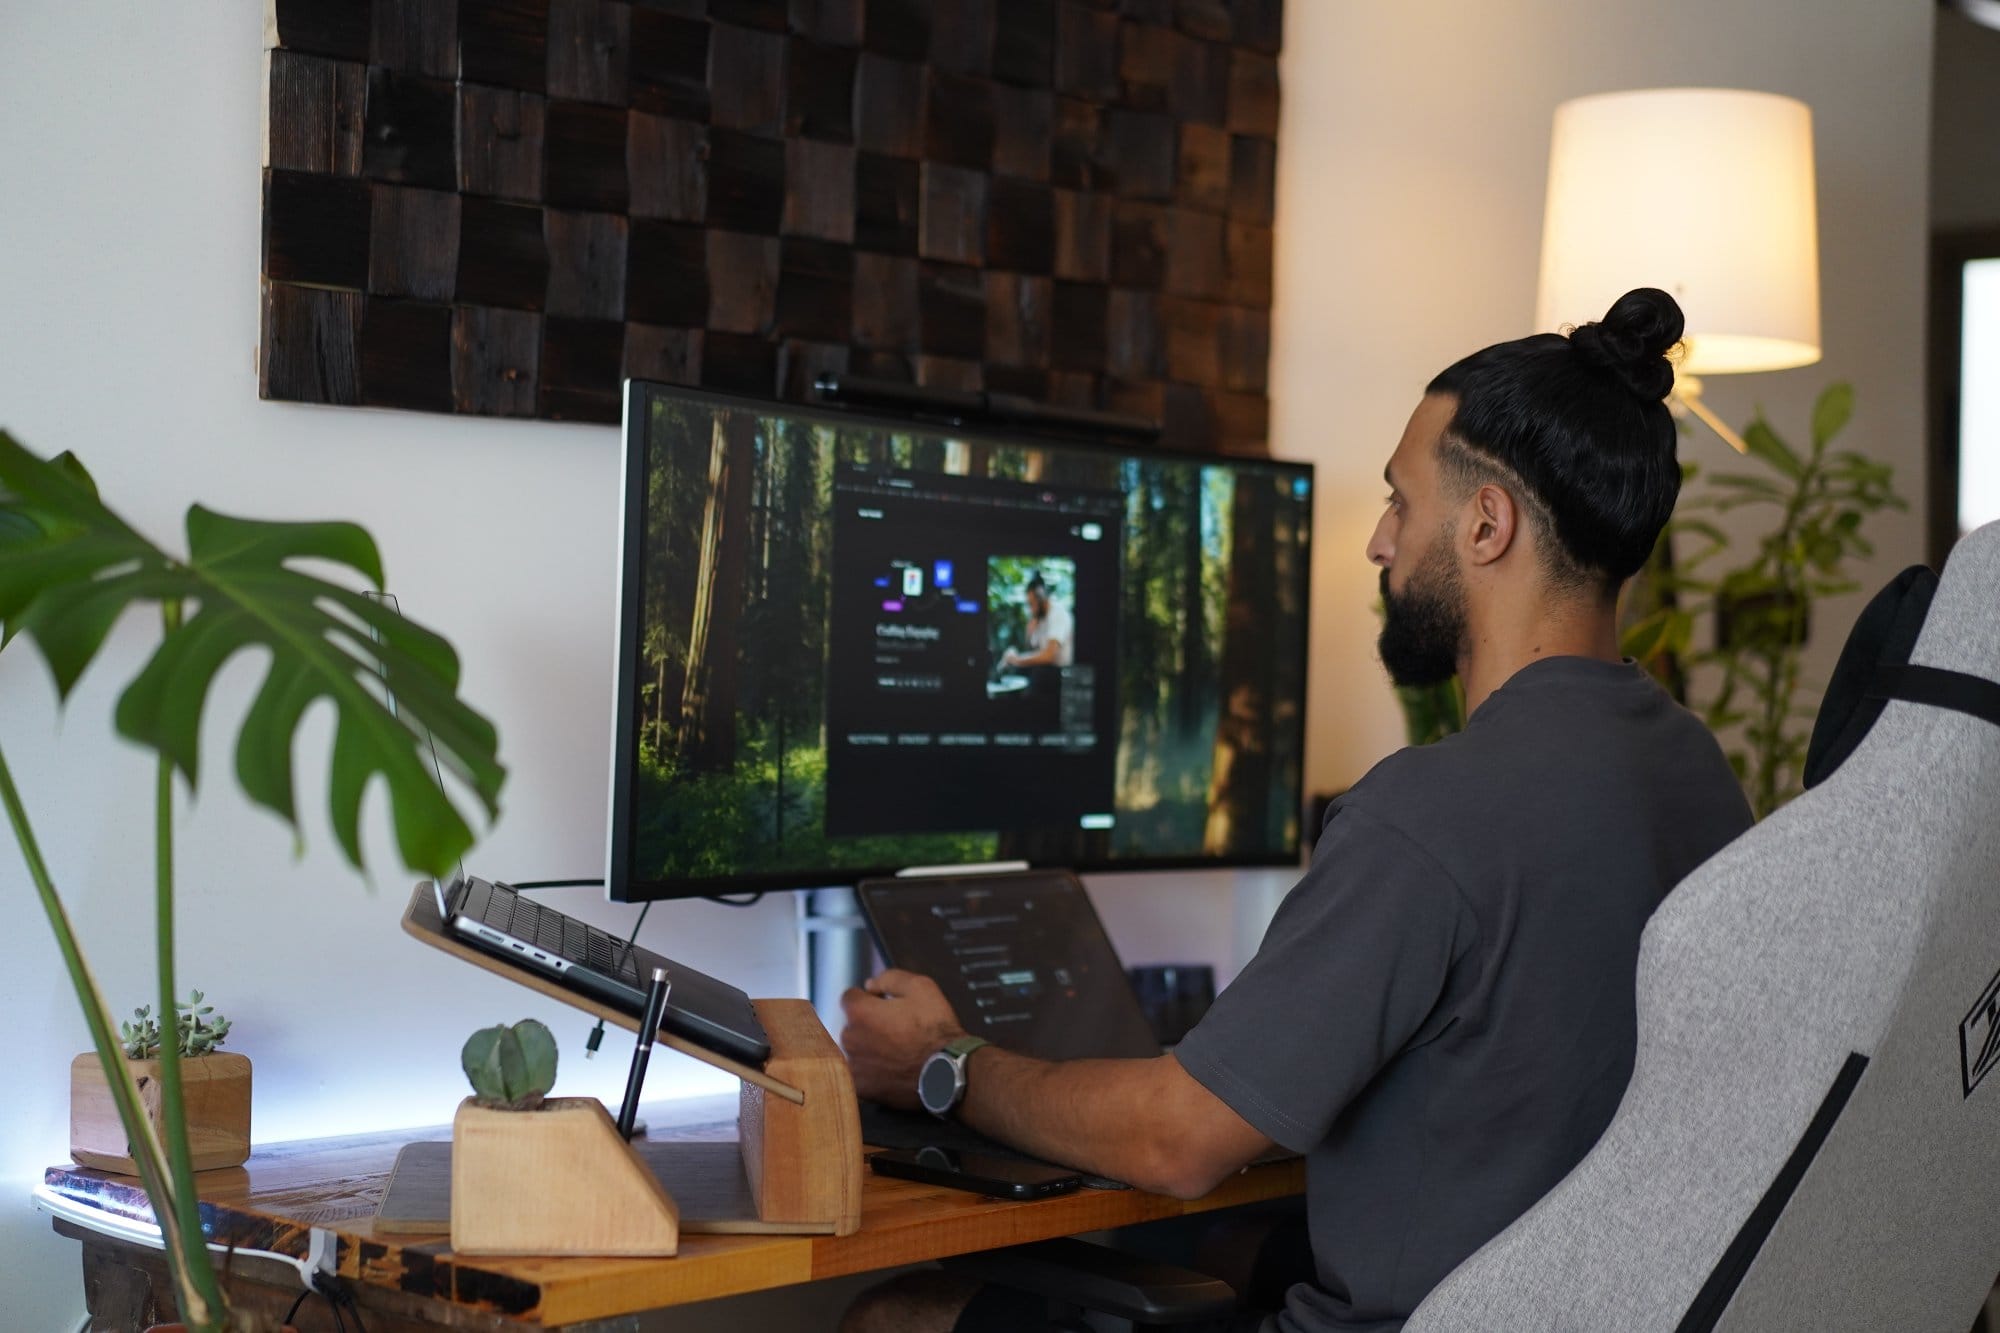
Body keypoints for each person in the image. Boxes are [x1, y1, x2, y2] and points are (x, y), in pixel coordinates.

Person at [838, 288, 1754, 1333]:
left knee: (897, 1313)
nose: (1379, 542)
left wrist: (944, 1063)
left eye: (1400, 502)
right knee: (1224, 1248)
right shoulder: (1695, 767)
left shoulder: (1429, 814)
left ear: (1485, 524)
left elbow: (1176, 1140)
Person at [1000, 572, 1074, 669]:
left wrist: (1017, 660)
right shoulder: (1040, 617)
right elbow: (1034, 651)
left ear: (1041, 598)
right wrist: (1030, 632)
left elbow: (1049, 656)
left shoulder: (1057, 614)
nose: (1031, 609)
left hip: (1061, 670)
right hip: (1048, 669)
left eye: (1032, 604)